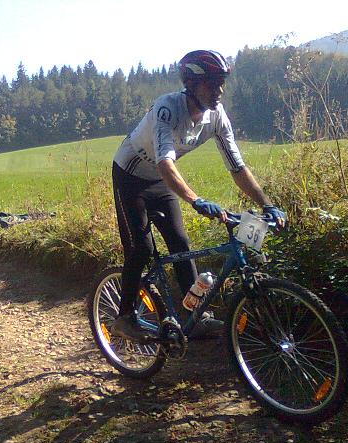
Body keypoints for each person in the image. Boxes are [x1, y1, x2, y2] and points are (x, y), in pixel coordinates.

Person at [110, 49, 286, 342]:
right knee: (139, 248)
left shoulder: (216, 117)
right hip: (130, 175)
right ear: (191, 84)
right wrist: (194, 199)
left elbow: (237, 167)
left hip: (160, 179)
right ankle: (124, 317)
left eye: (222, 83)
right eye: (212, 84)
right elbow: (165, 162)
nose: (219, 91)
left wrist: (267, 205)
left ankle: (196, 316)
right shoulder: (167, 108)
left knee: (180, 244)